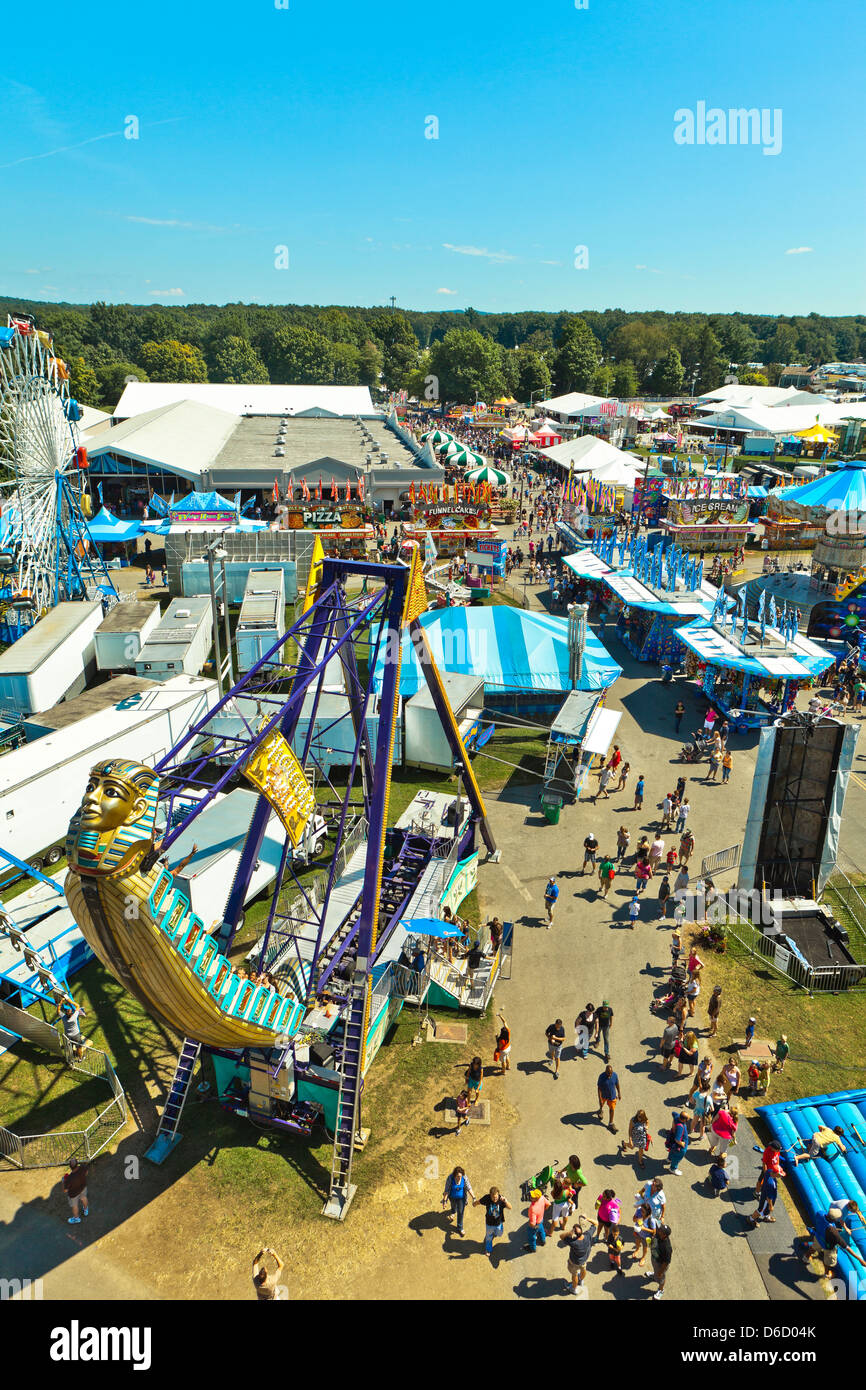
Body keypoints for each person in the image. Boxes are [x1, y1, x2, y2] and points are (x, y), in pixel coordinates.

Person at [475, 1187, 511, 1259]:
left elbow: (510, 1207)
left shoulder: (501, 1199)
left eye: (496, 1197)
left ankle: (494, 1234)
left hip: (498, 1223)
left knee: (499, 1234)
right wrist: (474, 1203)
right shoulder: (487, 1198)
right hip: (489, 1223)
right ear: (490, 1195)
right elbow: (479, 1201)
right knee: (488, 1237)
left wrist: (505, 1201)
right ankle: (488, 1249)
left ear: (498, 1195)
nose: (495, 1199)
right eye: (493, 1197)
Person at [564, 1215, 593, 1294]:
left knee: (574, 1275)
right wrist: (588, 1218)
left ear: (575, 1234)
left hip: (574, 1262)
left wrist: (569, 1233)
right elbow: (596, 1224)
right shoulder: (587, 1235)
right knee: (583, 1269)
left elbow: (562, 1236)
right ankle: (581, 1281)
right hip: (584, 1260)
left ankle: (574, 1288)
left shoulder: (573, 1242)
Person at [62, 1157, 89, 1224]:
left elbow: (65, 1190)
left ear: (70, 1167)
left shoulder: (69, 1178)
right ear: (77, 1164)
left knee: (75, 1206)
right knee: (84, 1198)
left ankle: (76, 1219)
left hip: (73, 1194)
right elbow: (87, 1173)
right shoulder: (82, 1168)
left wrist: (63, 1181)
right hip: (83, 1188)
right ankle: (86, 1210)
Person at [650, 1224, 673, 1300]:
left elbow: (666, 1262)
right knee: (655, 1269)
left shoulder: (667, 1248)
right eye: (660, 1229)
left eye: (661, 1230)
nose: (659, 1230)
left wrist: (660, 1272)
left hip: (661, 1264)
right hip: (655, 1259)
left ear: (664, 1235)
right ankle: (655, 1274)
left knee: (661, 1278)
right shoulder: (659, 1234)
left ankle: (661, 1290)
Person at [596, 1063, 621, 1132]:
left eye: (611, 1073)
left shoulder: (615, 1075)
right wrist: (600, 1099)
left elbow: (617, 1084)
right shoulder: (601, 1077)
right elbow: (599, 1089)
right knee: (601, 1104)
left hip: (612, 1096)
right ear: (605, 1071)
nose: (609, 1075)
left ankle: (610, 1123)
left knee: (612, 1109)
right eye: (608, 1073)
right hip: (604, 1095)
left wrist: (619, 1093)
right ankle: (600, 1110)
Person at [632, 1201, 659, 1266]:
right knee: (637, 1242)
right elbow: (633, 1219)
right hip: (638, 1232)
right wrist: (638, 1219)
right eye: (641, 1210)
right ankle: (637, 1250)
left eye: (643, 1211)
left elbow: (654, 1231)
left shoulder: (651, 1219)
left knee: (645, 1247)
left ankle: (643, 1257)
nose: (641, 1212)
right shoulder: (639, 1210)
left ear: (647, 1212)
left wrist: (644, 1228)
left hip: (646, 1236)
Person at [666, 1111, 690, 1175]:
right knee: (677, 1157)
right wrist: (682, 1143)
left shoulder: (677, 1117)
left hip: (672, 1141)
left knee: (672, 1151)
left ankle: (669, 1159)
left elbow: (673, 1112)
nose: (688, 1120)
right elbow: (677, 1139)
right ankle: (673, 1168)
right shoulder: (680, 1127)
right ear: (684, 1119)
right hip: (680, 1145)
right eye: (687, 1119)